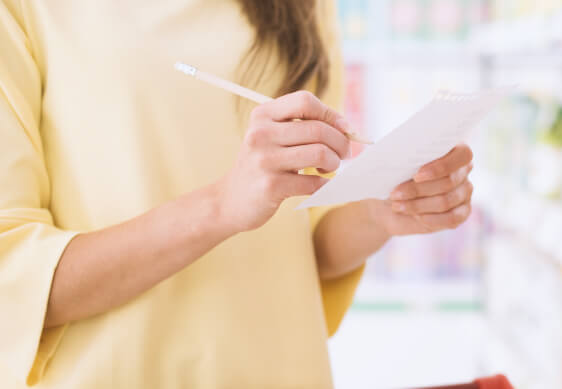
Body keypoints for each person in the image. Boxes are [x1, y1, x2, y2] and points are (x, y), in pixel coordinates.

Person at [0, 1, 475, 388]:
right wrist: (223, 207)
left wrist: (381, 210)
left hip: (285, 370)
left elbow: (304, 247)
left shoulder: (307, 8)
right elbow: (14, 279)